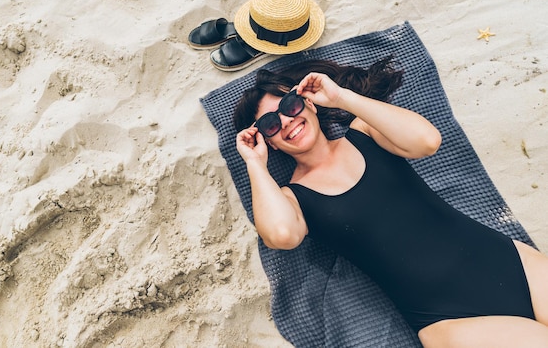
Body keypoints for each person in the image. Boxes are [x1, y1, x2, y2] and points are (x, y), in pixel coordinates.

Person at [233, 58, 548, 347]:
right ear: (269, 141)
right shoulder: (293, 198)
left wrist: (341, 97)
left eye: (289, 105)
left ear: (309, 104)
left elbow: (427, 141)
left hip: (504, 260)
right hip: (449, 319)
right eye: (270, 124)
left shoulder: (365, 132)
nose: (286, 121)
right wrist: (254, 164)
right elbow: (281, 235)